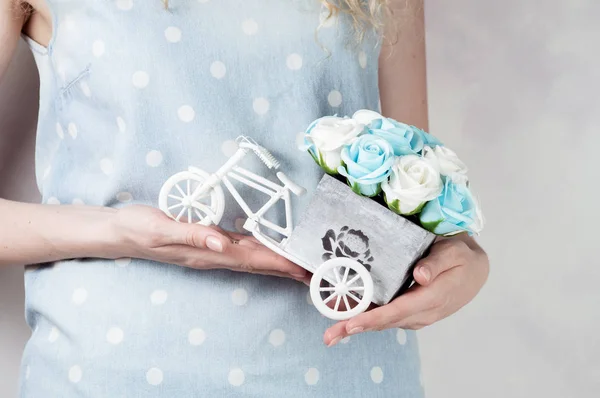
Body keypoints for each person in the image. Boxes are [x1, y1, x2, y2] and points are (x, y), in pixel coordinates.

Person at [0, 0, 489, 396]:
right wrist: (119, 232)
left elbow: (416, 174)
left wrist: (461, 257)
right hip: (115, 367)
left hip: (341, 366)